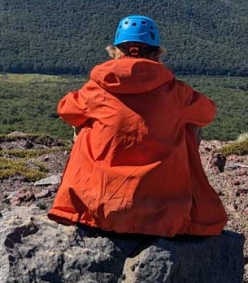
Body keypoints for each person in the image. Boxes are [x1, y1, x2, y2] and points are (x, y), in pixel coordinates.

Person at [48, 15, 228, 237]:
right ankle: (176, 192)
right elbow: (208, 113)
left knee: (83, 122)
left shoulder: (96, 88)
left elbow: (65, 109)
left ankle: (87, 188)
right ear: (156, 53)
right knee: (189, 124)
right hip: (162, 208)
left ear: (115, 51)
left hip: (99, 206)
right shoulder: (176, 92)